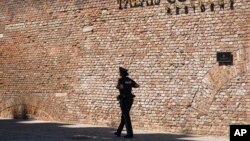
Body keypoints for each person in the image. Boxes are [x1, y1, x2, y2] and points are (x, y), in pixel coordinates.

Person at [114, 67, 139, 138]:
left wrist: (119, 86)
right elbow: (137, 85)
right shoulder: (129, 80)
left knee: (126, 116)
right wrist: (129, 86)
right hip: (130, 99)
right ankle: (118, 132)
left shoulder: (121, 80)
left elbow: (120, 87)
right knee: (124, 116)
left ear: (121, 73)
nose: (119, 73)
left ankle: (130, 133)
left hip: (124, 99)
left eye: (120, 72)